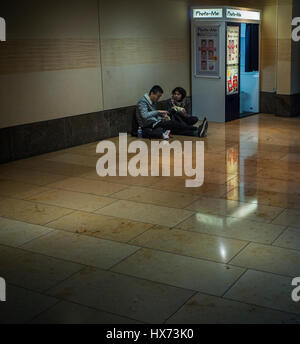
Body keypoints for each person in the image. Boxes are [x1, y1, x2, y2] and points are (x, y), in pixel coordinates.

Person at [136, 85, 207, 138]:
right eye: (158, 96)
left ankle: (197, 132)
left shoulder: (151, 102)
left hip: (157, 121)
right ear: (151, 93)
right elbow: (144, 115)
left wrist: (162, 116)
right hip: (151, 125)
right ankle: (196, 129)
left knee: (175, 127)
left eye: (159, 97)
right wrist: (158, 112)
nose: (158, 99)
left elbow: (154, 114)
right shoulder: (143, 102)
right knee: (174, 124)